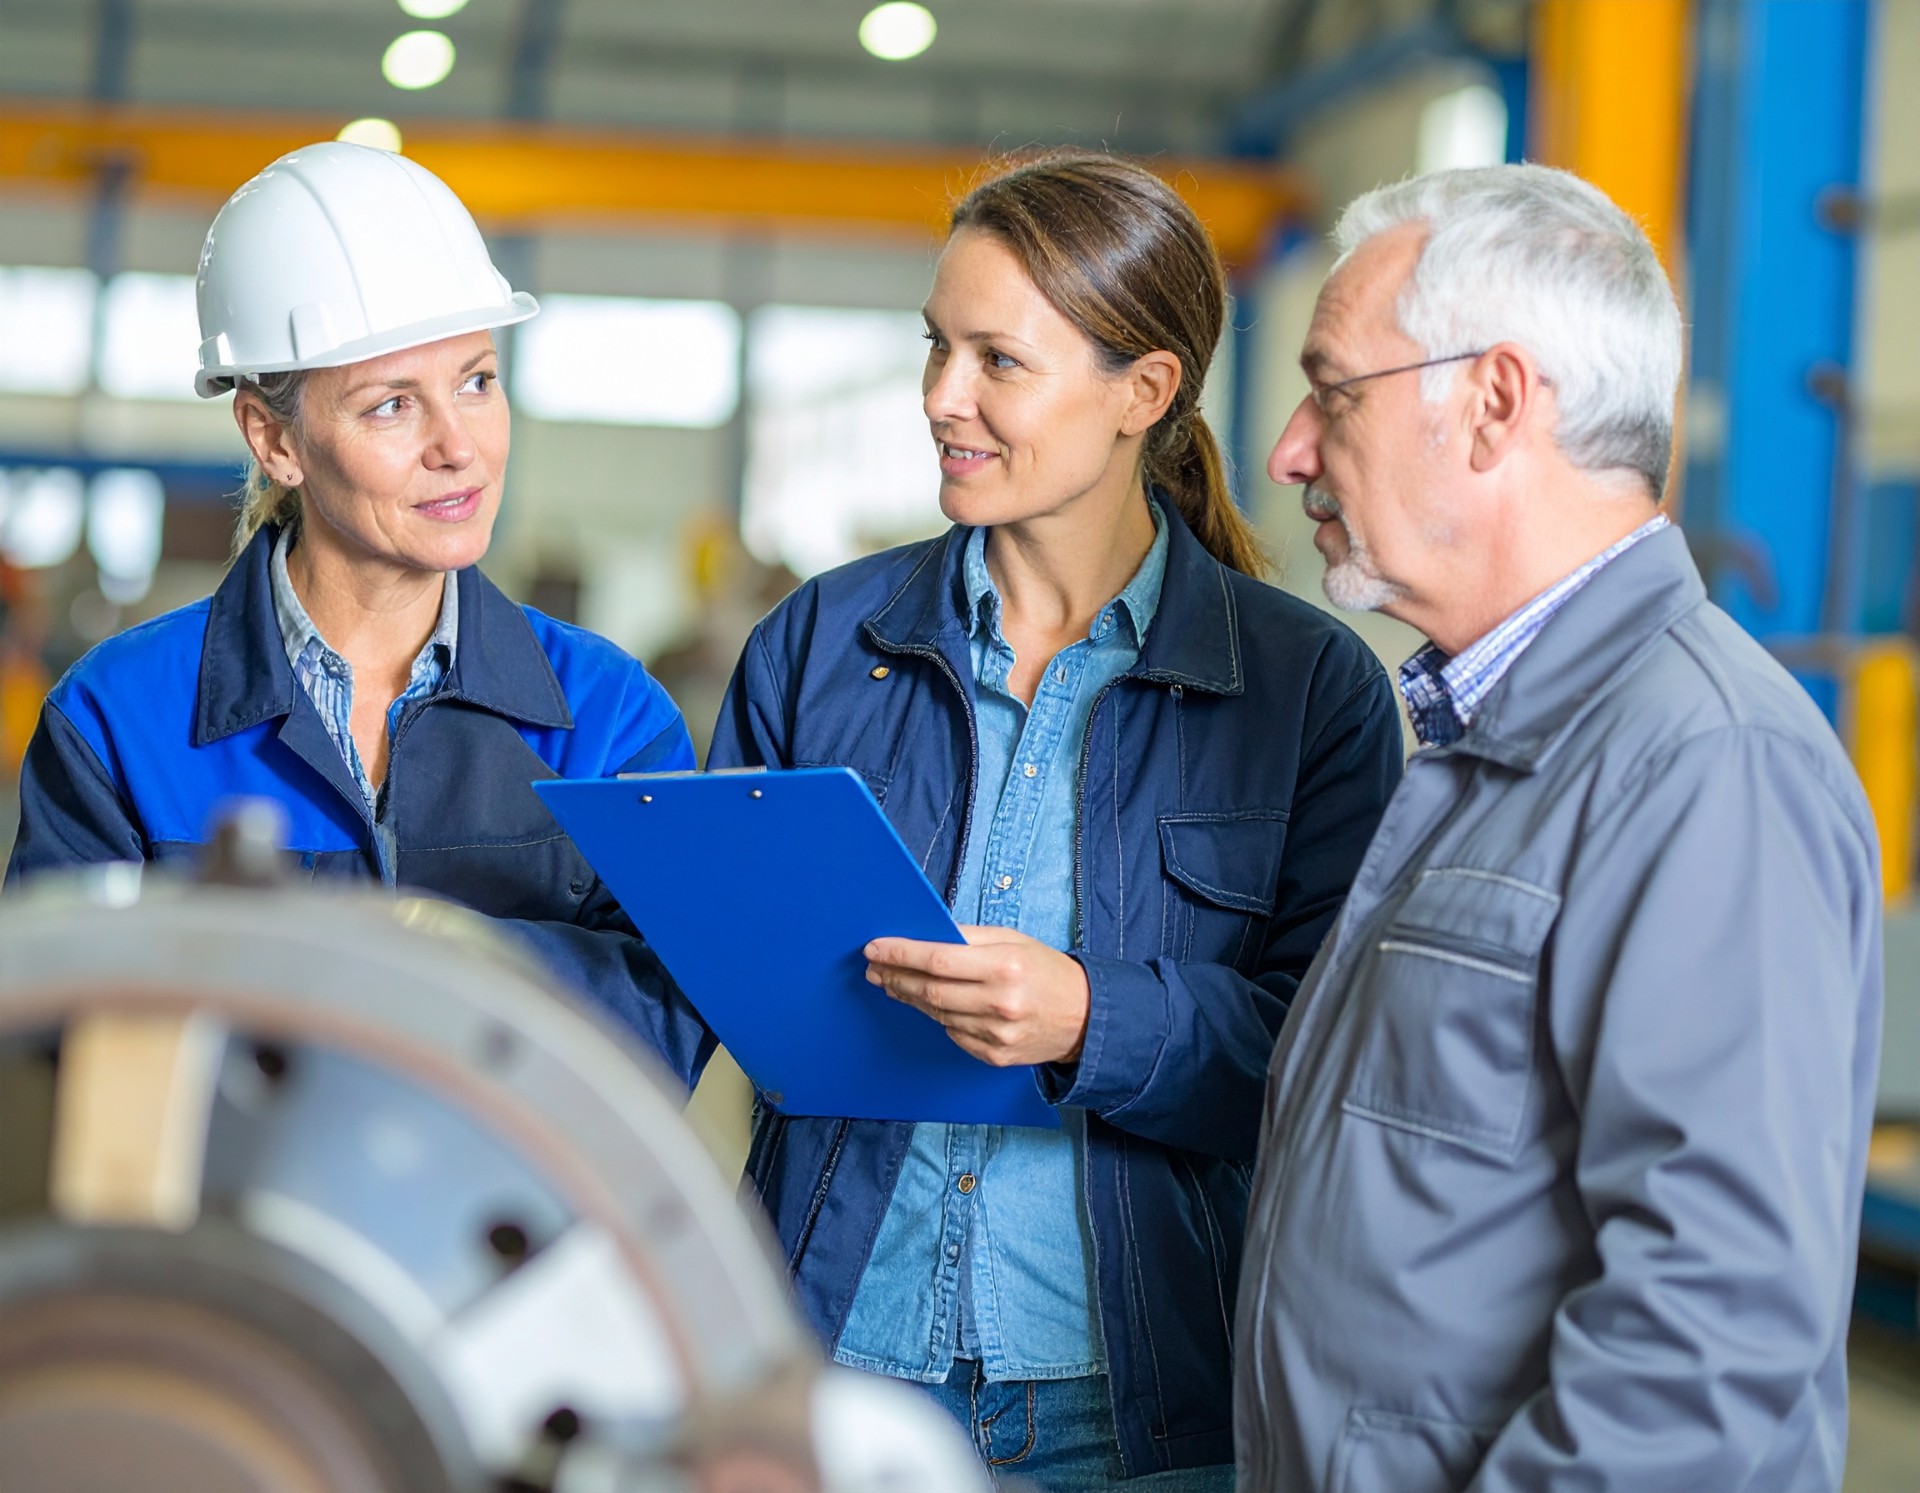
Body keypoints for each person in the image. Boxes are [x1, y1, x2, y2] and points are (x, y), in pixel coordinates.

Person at [708, 151, 1404, 1489]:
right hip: (830, 1365)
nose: (940, 400)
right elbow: (707, 979)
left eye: (997, 362)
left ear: (1143, 392)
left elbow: (1338, 1064)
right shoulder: (818, 645)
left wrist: (1096, 1016)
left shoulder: (1309, 693)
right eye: (934, 348)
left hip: (1134, 1405)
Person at [1234, 164, 1883, 1493]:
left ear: (1491, 402)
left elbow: (1711, 1329)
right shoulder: (1488, 737)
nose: (1290, 448)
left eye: (1334, 391)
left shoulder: (1707, 763)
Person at [4, 142, 709, 1074]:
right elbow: (51, 1047)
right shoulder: (117, 719)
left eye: (477, 380)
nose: (459, 445)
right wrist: (350, 977)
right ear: (274, 438)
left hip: (502, 1221)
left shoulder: (611, 718)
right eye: (391, 406)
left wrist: (454, 953)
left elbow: (669, 1021)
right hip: (227, 1219)